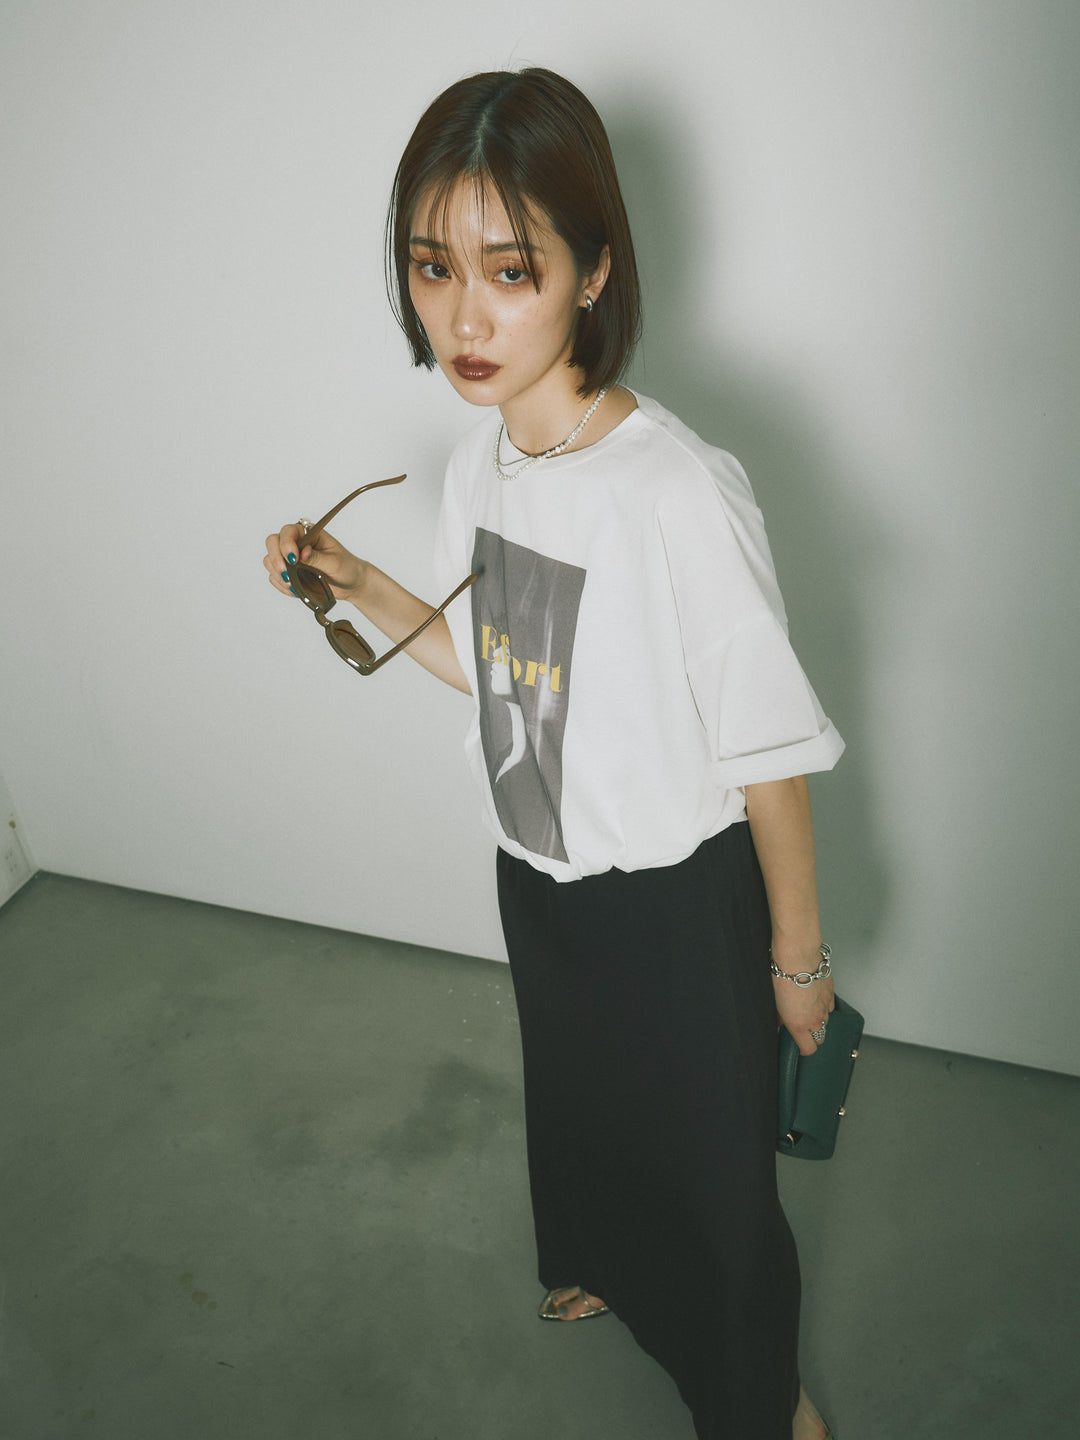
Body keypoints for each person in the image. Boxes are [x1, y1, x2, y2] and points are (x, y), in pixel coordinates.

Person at [263, 66, 842, 1440]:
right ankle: (599, 1269)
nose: (465, 317)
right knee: (581, 1112)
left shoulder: (674, 490)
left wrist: (797, 961)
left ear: (594, 270)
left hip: (673, 906)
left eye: (510, 270)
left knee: (714, 1182)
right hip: (540, 875)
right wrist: (356, 582)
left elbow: (769, 752)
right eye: (434, 267)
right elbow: (501, 674)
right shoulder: (487, 462)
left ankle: (762, 1406)